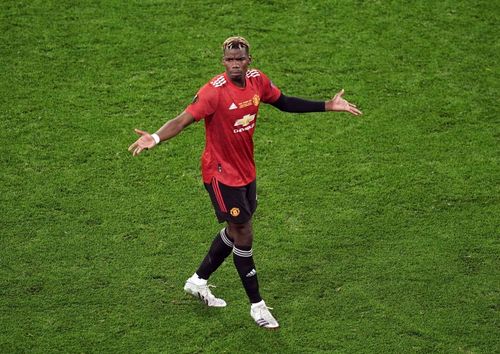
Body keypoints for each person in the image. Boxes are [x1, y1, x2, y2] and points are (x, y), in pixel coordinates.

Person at [128, 36, 362, 329]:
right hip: (220, 174)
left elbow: (284, 102)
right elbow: (184, 119)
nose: (235, 64)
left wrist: (328, 105)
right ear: (223, 61)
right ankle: (257, 306)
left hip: (245, 172)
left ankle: (197, 281)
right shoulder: (213, 92)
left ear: (249, 60)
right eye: (230, 59)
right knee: (244, 232)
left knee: (235, 229)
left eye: (240, 59)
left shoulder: (257, 81)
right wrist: (157, 137)